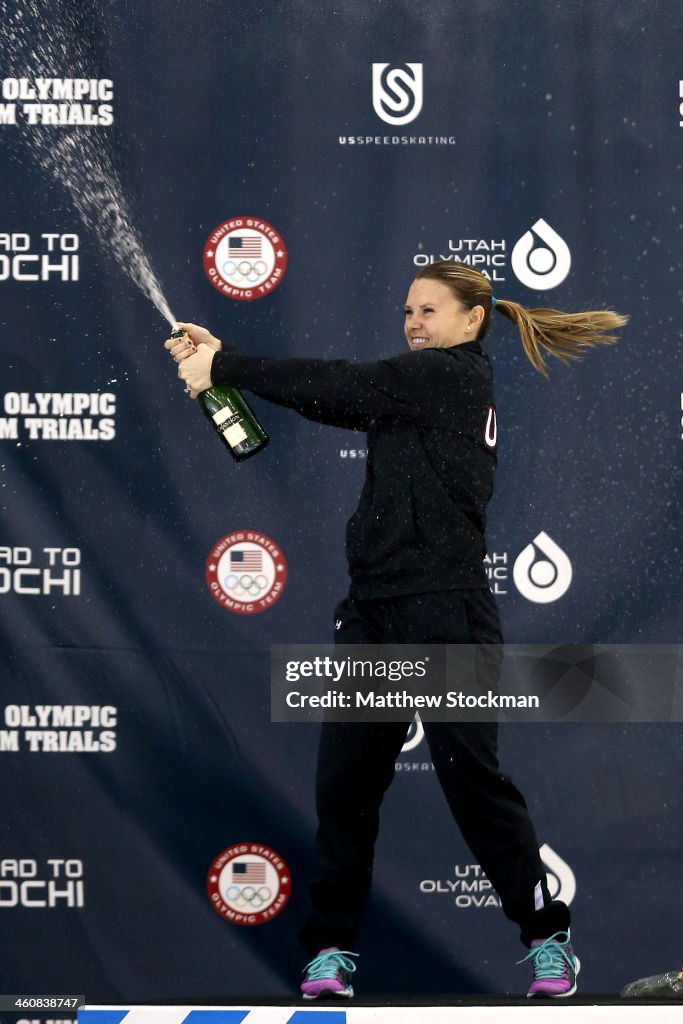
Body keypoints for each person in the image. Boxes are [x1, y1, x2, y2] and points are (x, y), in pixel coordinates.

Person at [165, 261, 628, 1000]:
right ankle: (331, 955)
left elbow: (339, 383)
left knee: (473, 787)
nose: (412, 322)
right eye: (406, 310)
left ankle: (547, 941)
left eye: (428, 310)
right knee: (345, 790)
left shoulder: (449, 377)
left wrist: (223, 363)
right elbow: (330, 397)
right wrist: (227, 365)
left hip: (445, 612)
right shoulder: (410, 391)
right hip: (374, 614)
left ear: (471, 321)